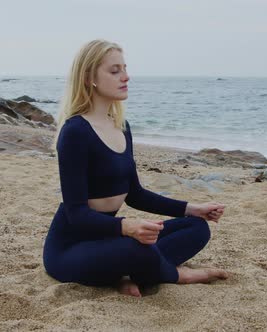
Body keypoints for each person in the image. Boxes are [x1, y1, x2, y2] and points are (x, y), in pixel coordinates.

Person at [42, 39, 229, 297]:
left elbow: (135, 194)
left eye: (125, 69)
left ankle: (130, 274)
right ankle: (177, 275)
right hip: (71, 247)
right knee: (136, 249)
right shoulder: (75, 132)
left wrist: (191, 208)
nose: (126, 77)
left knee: (197, 227)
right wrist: (126, 226)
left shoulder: (121, 126)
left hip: (111, 240)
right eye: (115, 70)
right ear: (89, 78)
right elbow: (77, 215)